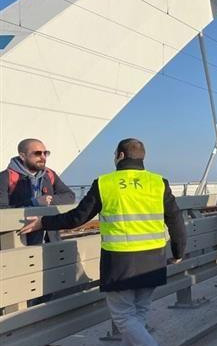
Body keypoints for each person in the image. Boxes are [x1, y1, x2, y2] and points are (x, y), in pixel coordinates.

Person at [19, 138, 186, 346]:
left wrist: (43, 222)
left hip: (120, 262)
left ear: (120, 156)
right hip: (154, 260)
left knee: (124, 317)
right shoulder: (158, 182)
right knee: (139, 313)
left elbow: (76, 218)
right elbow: (176, 220)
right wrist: (178, 252)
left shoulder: (105, 183)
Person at [1, 138, 75, 244]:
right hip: (19, 242)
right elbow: (2, 210)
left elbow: (70, 196)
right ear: (22, 156)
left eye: (45, 153)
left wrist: (50, 200)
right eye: (37, 153)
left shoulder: (49, 175)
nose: (43, 157)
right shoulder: (5, 177)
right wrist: (34, 203)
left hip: (50, 240)